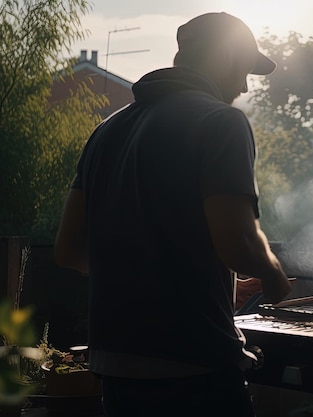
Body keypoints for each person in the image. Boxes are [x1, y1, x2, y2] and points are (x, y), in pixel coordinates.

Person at [54, 12, 293, 417]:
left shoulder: (106, 131)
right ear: (230, 59)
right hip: (194, 367)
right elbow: (239, 244)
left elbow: (69, 249)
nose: (245, 85)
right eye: (246, 71)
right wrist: (275, 279)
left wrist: (177, 282)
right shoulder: (221, 122)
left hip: (117, 369)